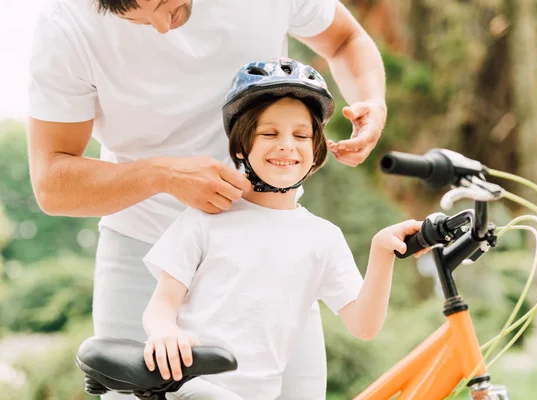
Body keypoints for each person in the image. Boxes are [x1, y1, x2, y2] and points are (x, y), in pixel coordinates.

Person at [27, 1, 387, 399]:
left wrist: (372, 100)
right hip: (143, 243)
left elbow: (344, 39)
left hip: (276, 253)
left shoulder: (316, 240)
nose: (164, 27)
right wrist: (161, 175)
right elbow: (51, 183)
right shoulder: (66, 26)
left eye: (169, 3)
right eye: (135, 17)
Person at [141, 58, 425, 400]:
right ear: (242, 145)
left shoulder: (322, 238)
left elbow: (363, 326)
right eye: (269, 133)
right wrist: (163, 331)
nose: (287, 145)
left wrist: (381, 253)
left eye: (301, 135)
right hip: (193, 387)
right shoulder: (207, 216)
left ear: (316, 149)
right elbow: (161, 305)